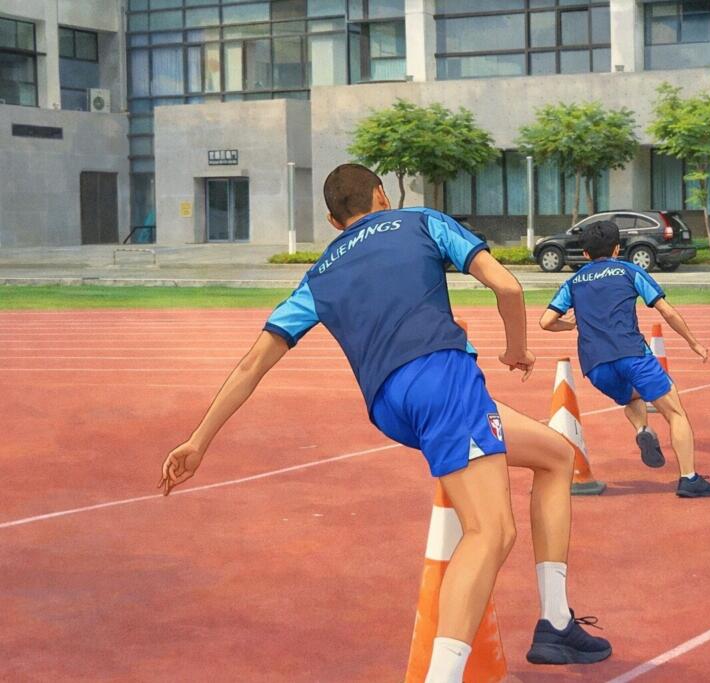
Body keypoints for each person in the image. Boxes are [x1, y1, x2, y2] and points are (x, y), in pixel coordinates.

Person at [158, 164, 611, 681]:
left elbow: (252, 364)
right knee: (490, 532)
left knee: (555, 456)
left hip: (390, 405)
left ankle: (555, 621)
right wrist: (515, 349)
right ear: (381, 194)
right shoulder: (420, 221)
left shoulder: (319, 273)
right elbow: (507, 288)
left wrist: (198, 440)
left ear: (333, 221)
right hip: (443, 380)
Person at [539, 220, 710, 498]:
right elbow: (666, 311)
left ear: (585, 254)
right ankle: (689, 478)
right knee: (675, 413)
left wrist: (570, 325)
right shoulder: (628, 271)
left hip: (595, 366)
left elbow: (546, 321)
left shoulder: (573, 282)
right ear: (617, 248)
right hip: (633, 354)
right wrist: (693, 342)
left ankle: (642, 429)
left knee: (632, 398)